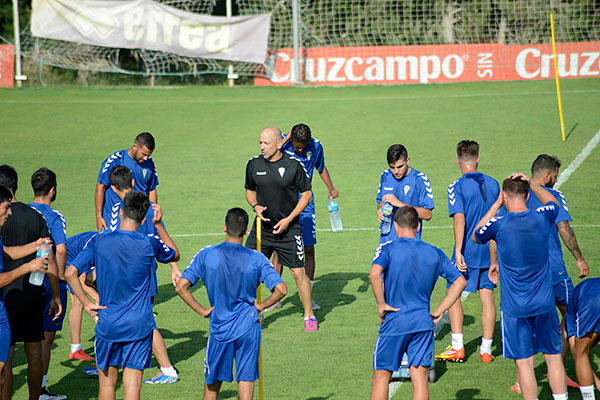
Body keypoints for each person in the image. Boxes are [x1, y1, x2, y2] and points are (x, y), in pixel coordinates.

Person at [65, 191, 179, 400]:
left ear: (122, 211)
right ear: (144, 219)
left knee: (107, 388)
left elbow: (70, 273)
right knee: (132, 387)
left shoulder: (99, 241)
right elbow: (174, 253)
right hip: (138, 325)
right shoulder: (149, 243)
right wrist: (160, 224)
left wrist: (87, 303)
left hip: (108, 324)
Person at [175, 207, 288, 400]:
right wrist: (261, 306)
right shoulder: (257, 258)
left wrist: (202, 311)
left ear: (224, 228)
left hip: (221, 329)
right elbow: (282, 289)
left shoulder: (206, 254)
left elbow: (181, 287)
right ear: (246, 232)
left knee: (212, 385)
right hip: (249, 328)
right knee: (246, 381)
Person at [473, 174, 568, 400]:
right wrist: (533, 183)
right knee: (553, 357)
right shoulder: (541, 217)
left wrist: (496, 204)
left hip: (515, 308)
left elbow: (477, 234)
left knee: (524, 363)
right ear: (527, 195)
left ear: (505, 195)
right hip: (544, 303)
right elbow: (553, 203)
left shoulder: (500, 224)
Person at [370, 206, 466, 400]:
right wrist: (439, 311)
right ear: (418, 225)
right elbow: (460, 281)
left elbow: (374, 273)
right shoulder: (434, 252)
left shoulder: (388, 248)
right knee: (420, 379)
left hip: (394, 320)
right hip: (422, 322)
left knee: (381, 377)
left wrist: (381, 304)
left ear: (395, 226)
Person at [106, 166, 181, 384]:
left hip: (129, 277)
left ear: (112, 188)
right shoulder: (149, 205)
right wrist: (174, 267)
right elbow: (162, 238)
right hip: (147, 273)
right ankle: (112, 362)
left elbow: (112, 241)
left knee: (146, 321)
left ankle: (167, 370)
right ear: (132, 181)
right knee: (134, 318)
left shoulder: (120, 210)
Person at [244, 126, 317, 332]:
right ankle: (253, 312)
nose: (262, 147)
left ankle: (309, 315)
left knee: (297, 272)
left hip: (289, 229)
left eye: (266, 143)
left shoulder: (294, 165)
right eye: (260, 143)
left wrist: (289, 219)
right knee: (248, 269)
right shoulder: (253, 164)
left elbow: (307, 195)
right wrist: (255, 206)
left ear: (279, 143)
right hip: (262, 228)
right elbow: (250, 191)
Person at [0, 165, 62, 400]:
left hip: (6, 294)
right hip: (32, 292)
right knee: (34, 351)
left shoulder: (2, 221)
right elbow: (49, 256)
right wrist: (55, 294)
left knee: (5, 357)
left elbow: (6, 253)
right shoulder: (36, 217)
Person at [435, 140, 500, 364]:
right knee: (487, 295)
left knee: (453, 293)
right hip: (490, 249)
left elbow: (460, 218)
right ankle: (486, 350)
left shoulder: (456, 186)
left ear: (457, 161)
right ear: (478, 160)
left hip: (468, 250)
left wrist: (458, 250)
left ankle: (457, 347)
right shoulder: (493, 184)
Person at [279, 123, 339, 310]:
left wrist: (331, 188)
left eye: (303, 147)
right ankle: (276, 296)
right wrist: (287, 139)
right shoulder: (284, 142)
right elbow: (270, 155)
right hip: (282, 202)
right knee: (278, 251)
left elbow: (321, 168)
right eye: (297, 146)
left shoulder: (317, 146)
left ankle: (309, 296)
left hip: (306, 202)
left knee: (309, 249)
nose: (300, 150)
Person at [28, 167, 69, 400]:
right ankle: (41, 389)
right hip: (46, 281)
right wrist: (61, 276)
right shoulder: (54, 216)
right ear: (52, 190)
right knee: (46, 336)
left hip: (21, 280)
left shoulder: (19, 210)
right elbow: (61, 249)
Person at [95, 132, 159, 232]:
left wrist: (152, 215)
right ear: (135, 147)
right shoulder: (116, 160)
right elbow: (100, 186)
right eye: (143, 154)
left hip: (138, 219)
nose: (146, 158)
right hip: (113, 220)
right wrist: (99, 216)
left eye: (148, 155)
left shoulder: (149, 163)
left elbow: (151, 190)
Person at [376, 144, 433, 244]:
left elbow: (427, 214)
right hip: (386, 242)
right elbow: (380, 203)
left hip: (409, 244)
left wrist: (400, 204)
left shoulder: (419, 179)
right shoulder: (385, 176)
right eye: (392, 167)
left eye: (400, 166)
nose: (396, 171)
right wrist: (380, 209)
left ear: (408, 160)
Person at [65, 232, 99, 363]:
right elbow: (79, 279)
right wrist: (96, 299)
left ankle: (76, 349)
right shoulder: (93, 251)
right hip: (68, 258)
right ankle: (75, 349)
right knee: (78, 303)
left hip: (83, 254)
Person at [565, 278, 600, 400]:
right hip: (592, 298)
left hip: (592, 301)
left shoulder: (570, 319)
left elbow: (576, 353)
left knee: (581, 354)